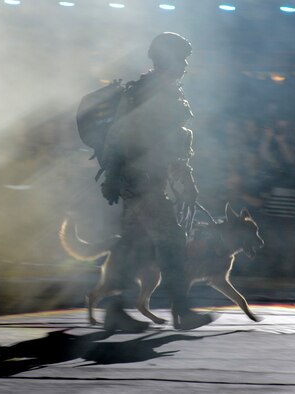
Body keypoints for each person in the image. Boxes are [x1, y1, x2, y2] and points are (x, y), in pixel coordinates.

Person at [99, 32, 214, 331]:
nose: (186, 66)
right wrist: (114, 176)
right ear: (169, 59)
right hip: (142, 182)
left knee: (134, 244)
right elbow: (129, 137)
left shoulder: (157, 91)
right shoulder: (151, 93)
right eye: (183, 59)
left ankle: (116, 309)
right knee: (171, 241)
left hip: (142, 181)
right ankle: (181, 311)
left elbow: (167, 143)